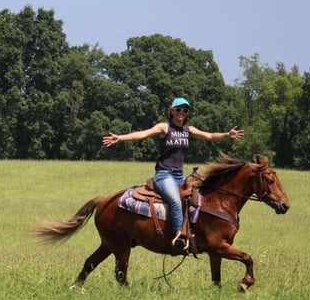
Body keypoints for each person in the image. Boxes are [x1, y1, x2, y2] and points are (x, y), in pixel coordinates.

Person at [102, 97, 244, 251]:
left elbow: (209, 136)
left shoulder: (188, 130)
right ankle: (180, 237)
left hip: (179, 175)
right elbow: (142, 134)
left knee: (196, 200)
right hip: (164, 175)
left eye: (185, 110)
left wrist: (227, 135)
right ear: (171, 111)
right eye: (178, 109)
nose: (181, 112)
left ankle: (197, 233)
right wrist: (119, 138)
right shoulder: (164, 128)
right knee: (176, 202)